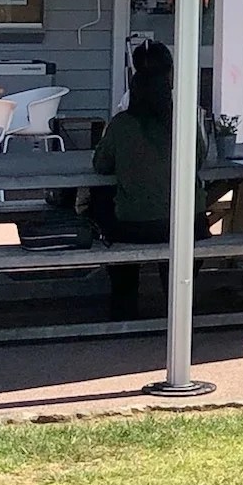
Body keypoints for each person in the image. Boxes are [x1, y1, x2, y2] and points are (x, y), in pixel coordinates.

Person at [90, 41, 208, 315]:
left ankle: (125, 304)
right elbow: (199, 159)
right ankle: (177, 303)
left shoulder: (122, 124)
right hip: (189, 225)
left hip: (135, 226)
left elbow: (101, 165)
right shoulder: (186, 120)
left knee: (105, 208)